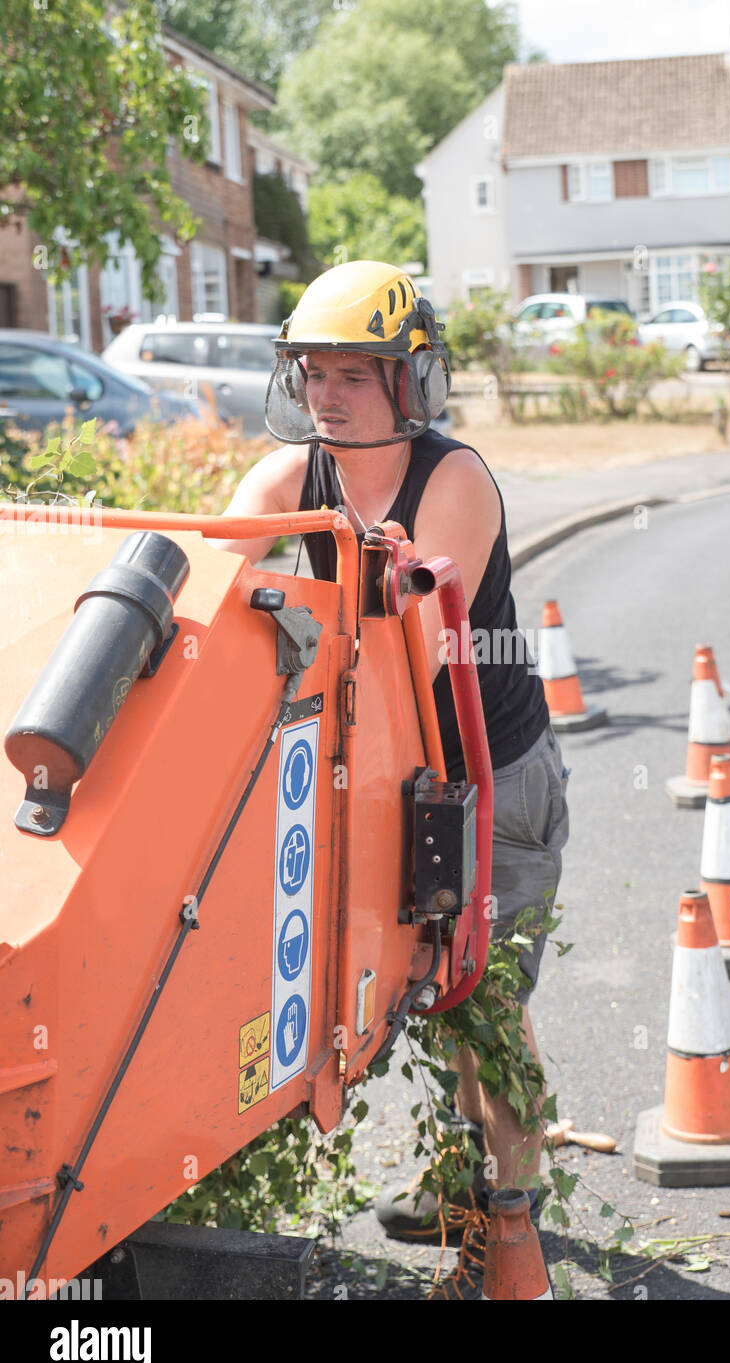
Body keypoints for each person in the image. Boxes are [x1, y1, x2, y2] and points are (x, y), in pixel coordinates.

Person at [207, 260, 569, 1296]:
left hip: (490, 779)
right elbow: (211, 575)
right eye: (312, 371)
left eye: (352, 376)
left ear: (408, 384)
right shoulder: (294, 476)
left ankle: (505, 1221)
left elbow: (404, 657)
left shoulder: (452, 482)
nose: (325, 393)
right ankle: (462, 1168)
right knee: (405, 984)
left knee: (481, 998)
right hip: (386, 780)